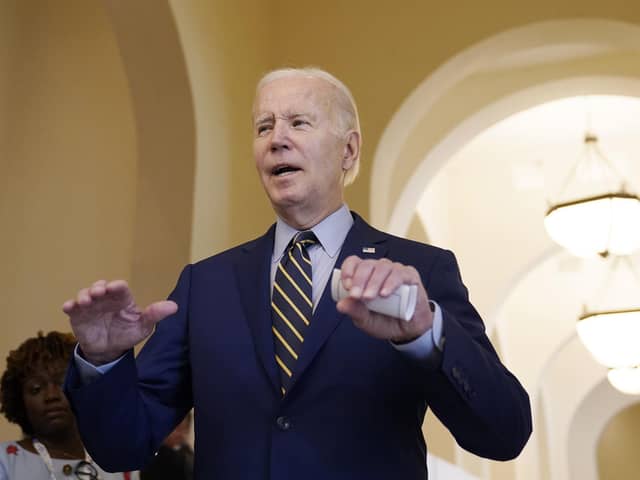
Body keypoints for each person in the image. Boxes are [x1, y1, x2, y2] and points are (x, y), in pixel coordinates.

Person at [62, 67, 532, 479]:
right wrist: (102, 362)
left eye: (298, 123)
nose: (276, 138)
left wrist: (425, 335)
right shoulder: (205, 284)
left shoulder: (421, 272)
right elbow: (121, 447)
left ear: (348, 151)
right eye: (263, 126)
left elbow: (504, 434)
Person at [0, 331, 138, 479]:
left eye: (62, 383)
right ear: (20, 401)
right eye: (36, 389)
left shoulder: (121, 459)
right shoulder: (5, 461)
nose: (51, 396)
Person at [140, 411, 193, 480]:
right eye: (177, 428)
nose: (180, 434)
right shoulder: (153, 456)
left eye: (185, 429)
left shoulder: (187, 453)